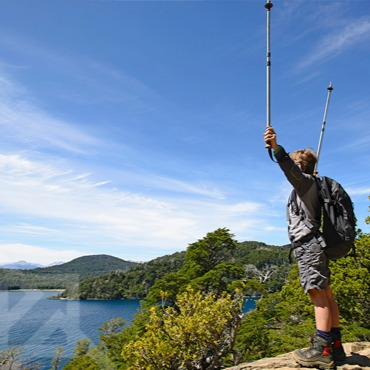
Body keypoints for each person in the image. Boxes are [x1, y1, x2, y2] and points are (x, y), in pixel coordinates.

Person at [263, 126, 346, 369]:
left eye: (296, 165)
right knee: (326, 293)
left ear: (301, 168)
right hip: (317, 244)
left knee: (317, 294)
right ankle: (335, 346)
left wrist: (277, 149)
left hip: (309, 245)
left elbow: (289, 168)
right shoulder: (313, 185)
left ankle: (321, 350)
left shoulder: (305, 184)